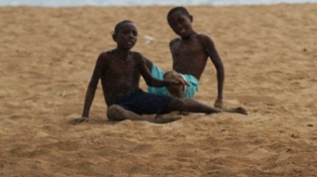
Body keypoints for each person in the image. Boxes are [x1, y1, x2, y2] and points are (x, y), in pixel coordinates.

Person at [79, 20, 224, 123]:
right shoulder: (105, 57)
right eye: (126, 33)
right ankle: (149, 120)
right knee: (113, 111)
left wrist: (170, 82)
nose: (131, 36)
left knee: (179, 103)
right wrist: (85, 115)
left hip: (138, 98)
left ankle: (219, 111)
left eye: (134, 34)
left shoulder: (137, 57)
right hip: (119, 104)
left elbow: (151, 81)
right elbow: (92, 85)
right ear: (115, 37)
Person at [147, 7, 246, 114]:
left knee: (171, 75)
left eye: (181, 21)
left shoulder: (202, 40)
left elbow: (219, 66)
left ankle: (183, 106)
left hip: (188, 85)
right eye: (174, 25)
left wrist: (219, 98)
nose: (179, 26)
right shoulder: (173, 43)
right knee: (141, 60)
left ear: (190, 18)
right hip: (171, 84)